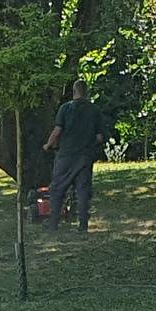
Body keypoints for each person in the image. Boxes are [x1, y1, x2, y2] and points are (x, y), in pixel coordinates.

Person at [43, 79, 103, 231]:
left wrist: (48, 145)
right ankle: (83, 226)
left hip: (66, 155)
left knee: (57, 189)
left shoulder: (65, 108)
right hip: (84, 157)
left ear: (74, 91)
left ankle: (53, 224)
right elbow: (100, 137)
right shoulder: (94, 110)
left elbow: (57, 131)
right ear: (86, 92)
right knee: (83, 191)